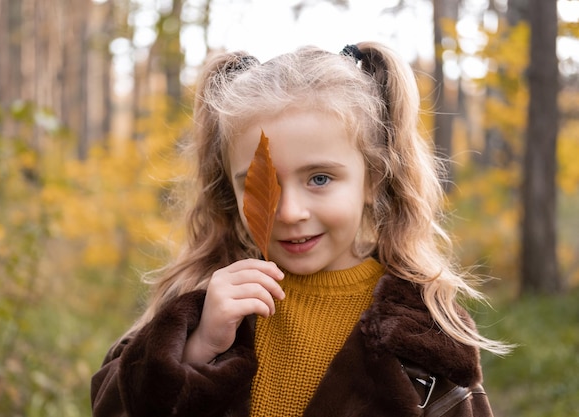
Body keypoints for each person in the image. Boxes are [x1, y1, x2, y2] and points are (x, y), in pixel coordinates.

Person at [90, 41, 511, 417]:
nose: (290, 212)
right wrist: (196, 349)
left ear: (374, 180)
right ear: (231, 191)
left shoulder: (423, 329)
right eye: (261, 185)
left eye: (320, 179)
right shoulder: (206, 304)